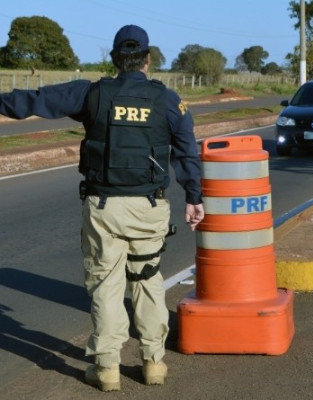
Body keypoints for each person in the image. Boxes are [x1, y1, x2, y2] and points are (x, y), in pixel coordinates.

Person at [0, 24, 204, 392]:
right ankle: (153, 362)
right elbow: (187, 150)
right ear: (147, 59)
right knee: (147, 280)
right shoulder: (169, 101)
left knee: (106, 285)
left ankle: (107, 368)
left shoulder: (91, 94)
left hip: (104, 208)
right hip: (149, 208)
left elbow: (35, 100)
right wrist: (194, 196)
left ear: (114, 59)